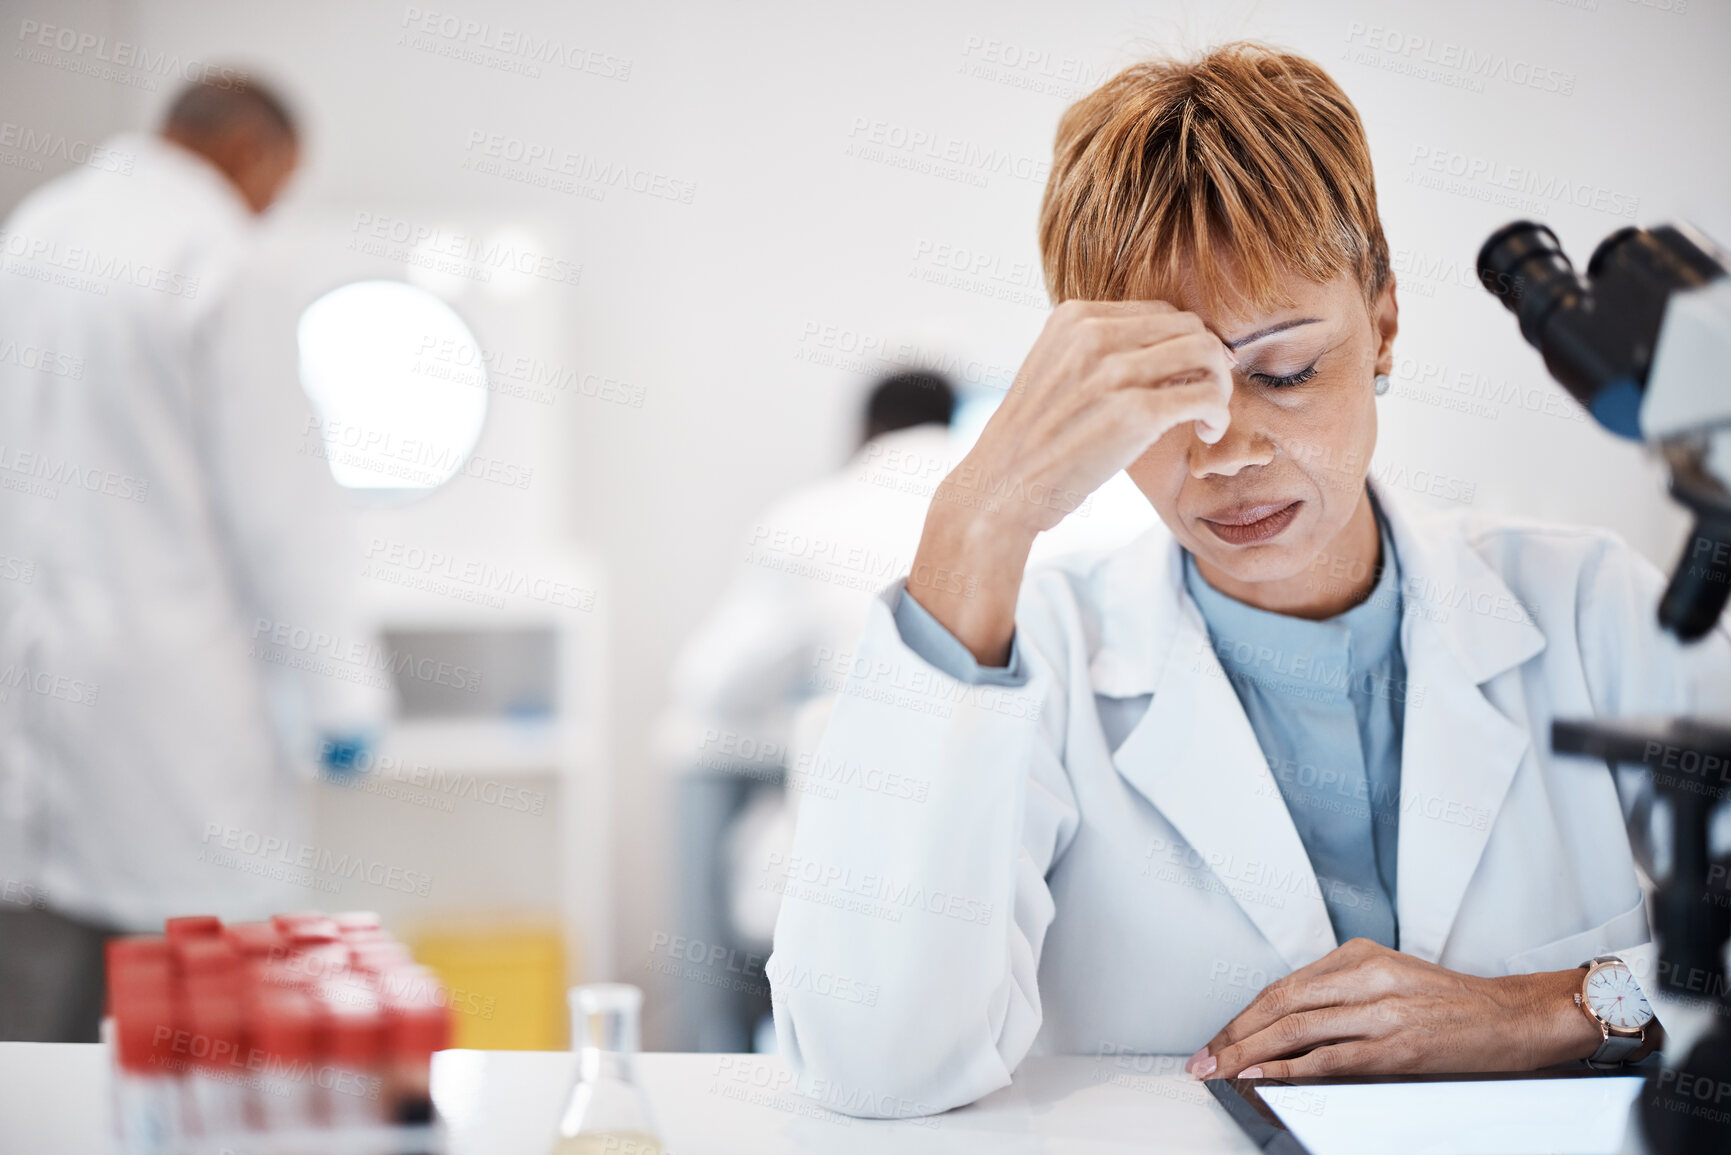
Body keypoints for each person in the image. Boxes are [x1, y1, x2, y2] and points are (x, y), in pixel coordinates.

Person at [767, 43, 1731, 1117]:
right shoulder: (1034, 653)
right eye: (1166, 393)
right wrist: (977, 515)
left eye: (1283, 372)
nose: (1224, 451)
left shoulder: (1590, 607)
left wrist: (1551, 1009)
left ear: (1386, 325)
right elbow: (871, 1060)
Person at [0, 77, 388, 1041]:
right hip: (171, 691)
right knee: (191, 1005)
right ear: (252, 153)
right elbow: (282, 507)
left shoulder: (37, 230)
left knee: (34, 1026)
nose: (271, 207)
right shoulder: (221, 259)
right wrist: (342, 692)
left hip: (34, 678)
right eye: (280, 184)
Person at [656, 371, 957, 1051]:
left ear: (865, 432)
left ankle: (719, 1051)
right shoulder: (1034, 510)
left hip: (857, 859)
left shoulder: (813, 517)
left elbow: (711, 684)